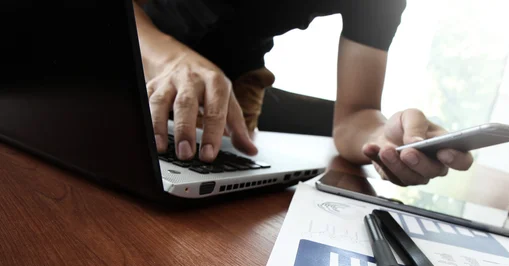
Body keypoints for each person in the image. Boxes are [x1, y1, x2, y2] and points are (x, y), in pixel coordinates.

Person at [133, 0, 473, 186]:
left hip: (236, 87)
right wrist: (167, 57)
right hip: (131, 40)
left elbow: (356, 115)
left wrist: (386, 139)